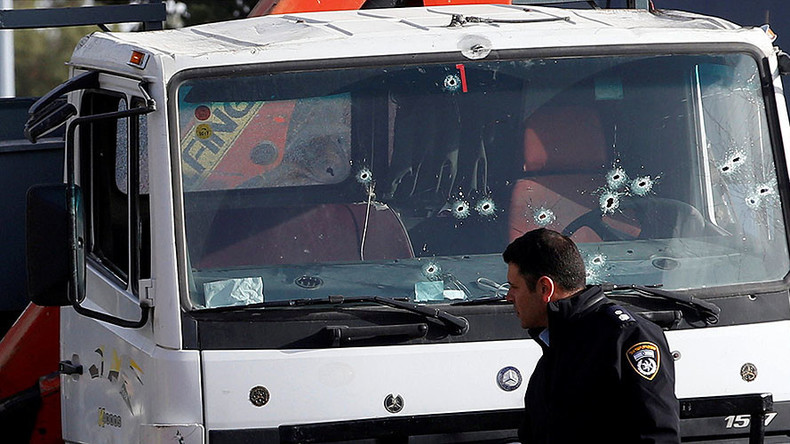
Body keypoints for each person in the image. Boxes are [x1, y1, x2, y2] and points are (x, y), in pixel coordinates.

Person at [503, 228, 680, 443]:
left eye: (514, 287)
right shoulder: (556, 347)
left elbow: (657, 436)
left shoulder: (626, 338)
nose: (508, 297)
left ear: (544, 288)